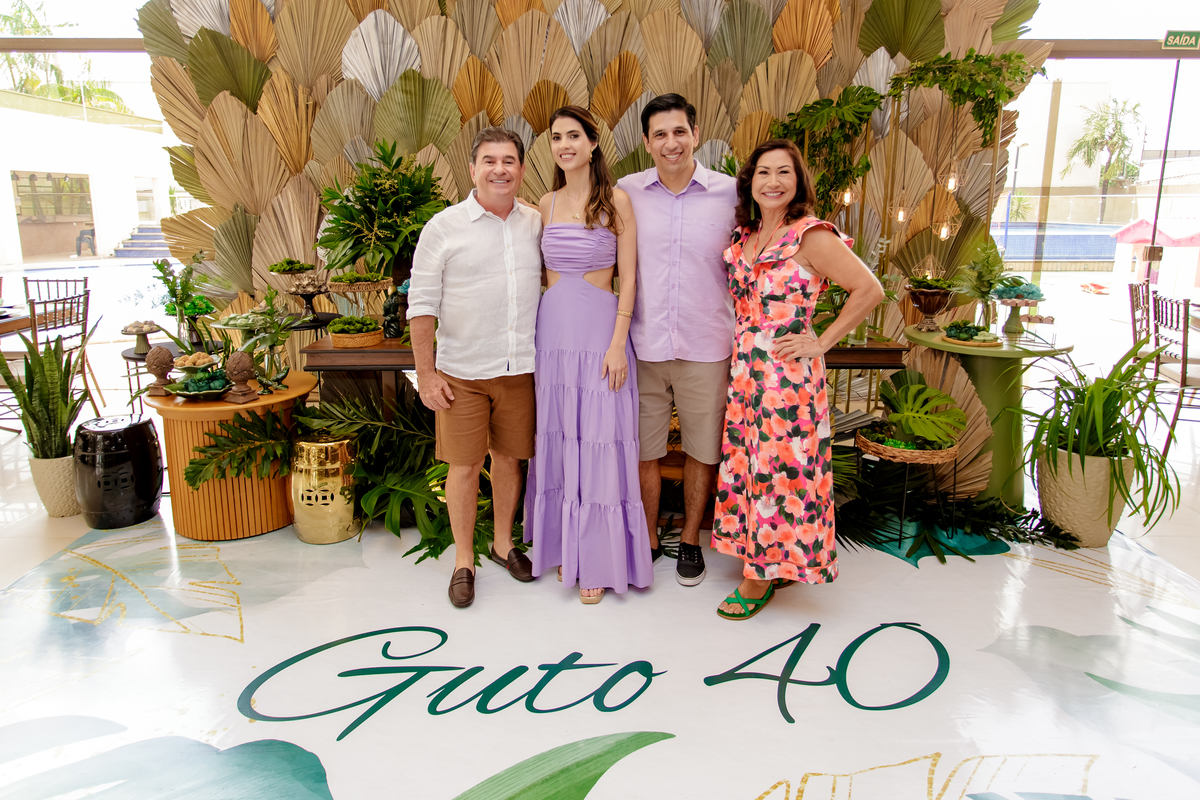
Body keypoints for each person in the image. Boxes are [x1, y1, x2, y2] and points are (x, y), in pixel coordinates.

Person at [712, 139, 884, 620]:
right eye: (763, 172)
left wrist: (821, 341)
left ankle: (758, 576)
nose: (773, 181)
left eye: (783, 172)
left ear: (798, 181)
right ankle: (776, 559)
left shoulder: (811, 235)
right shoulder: (746, 235)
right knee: (751, 464)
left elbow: (869, 289)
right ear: (750, 182)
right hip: (746, 372)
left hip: (787, 377)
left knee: (779, 466)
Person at [407, 127, 544, 608]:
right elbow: (421, 305)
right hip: (461, 373)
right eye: (489, 161)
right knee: (464, 466)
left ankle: (503, 543)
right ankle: (463, 559)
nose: (499, 170)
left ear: (521, 169)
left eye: (509, 161)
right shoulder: (443, 227)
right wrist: (426, 374)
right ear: (472, 169)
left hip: (519, 368)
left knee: (509, 459)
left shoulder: (535, 223)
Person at [523, 106, 651, 604]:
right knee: (558, 433)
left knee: (600, 437)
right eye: (557, 138)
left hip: (602, 332)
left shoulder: (616, 200)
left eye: (574, 135)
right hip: (554, 333)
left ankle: (597, 557)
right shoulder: (546, 203)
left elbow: (629, 278)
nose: (565, 145)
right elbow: (544, 276)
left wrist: (618, 343)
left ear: (593, 143)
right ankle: (564, 545)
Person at [616, 93, 737, 587]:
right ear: (647, 142)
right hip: (642, 345)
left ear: (696, 135)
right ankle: (646, 537)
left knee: (702, 450)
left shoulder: (732, 194)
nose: (672, 143)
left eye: (680, 131)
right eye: (660, 134)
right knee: (643, 450)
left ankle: (690, 538)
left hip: (707, 345)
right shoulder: (627, 192)